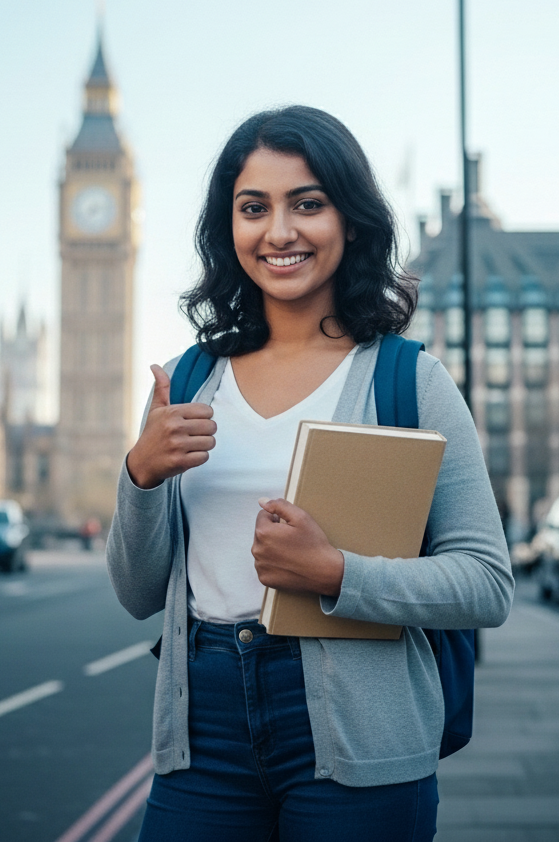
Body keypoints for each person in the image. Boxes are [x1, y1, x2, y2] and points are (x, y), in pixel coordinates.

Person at [107, 106, 514, 841]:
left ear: (349, 221)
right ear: (228, 228)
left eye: (307, 204)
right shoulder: (185, 383)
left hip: (363, 731)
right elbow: (138, 594)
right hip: (203, 731)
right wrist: (140, 475)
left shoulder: (409, 381)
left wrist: (334, 573)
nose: (279, 231)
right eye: (253, 208)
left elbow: (486, 584)